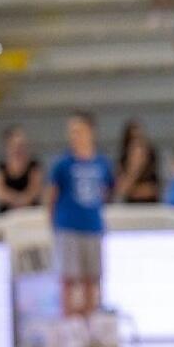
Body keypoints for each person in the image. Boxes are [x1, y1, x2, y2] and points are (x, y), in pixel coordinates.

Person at [48, 112, 115, 319]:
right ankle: (69, 324)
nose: (74, 136)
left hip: (93, 227)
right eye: (72, 132)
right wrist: (54, 225)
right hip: (68, 226)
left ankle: (91, 323)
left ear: (90, 132)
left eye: (79, 131)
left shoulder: (102, 162)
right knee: (68, 279)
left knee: (92, 278)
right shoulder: (63, 164)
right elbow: (51, 196)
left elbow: (108, 191)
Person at [0, 125, 43, 214]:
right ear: (7, 145)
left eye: (22, 145)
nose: (19, 149)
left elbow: (36, 189)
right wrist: (15, 199)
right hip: (6, 213)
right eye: (15, 145)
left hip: (31, 211)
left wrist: (24, 200)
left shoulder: (34, 165)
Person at [114, 119, 161, 203]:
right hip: (131, 210)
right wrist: (134, 169)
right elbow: (121, 191)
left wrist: (133, 190)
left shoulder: (152, 158)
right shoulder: (123, 160)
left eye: (139, 139)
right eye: (132, 140)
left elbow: (154, 189)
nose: (136, 145)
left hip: (151, 209)